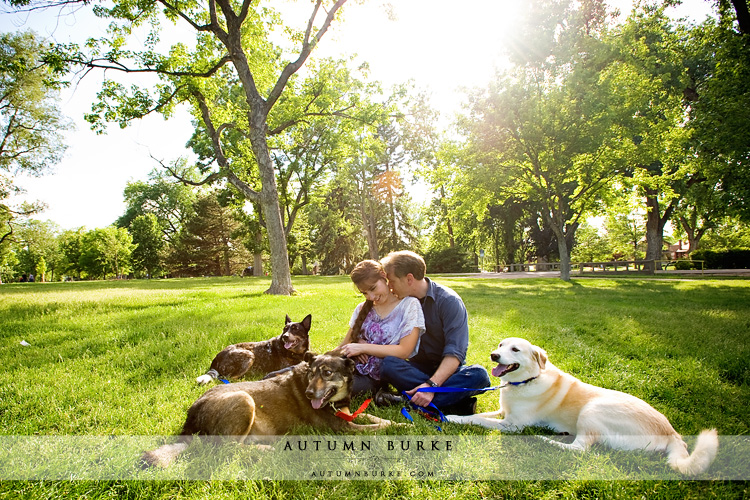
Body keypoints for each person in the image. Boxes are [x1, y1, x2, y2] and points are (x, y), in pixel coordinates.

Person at [378, 250, 490, 415]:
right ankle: (455, 402)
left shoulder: (449, 301)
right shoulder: (399, 302)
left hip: (448, 371)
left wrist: (431, 385)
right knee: (388, 364)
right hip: (417, 369)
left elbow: (455, 354)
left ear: (409, 279)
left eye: (392, 281)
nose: (389, 286)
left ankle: (408, 401)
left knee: (479, 375)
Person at [337, 260, 426, 396]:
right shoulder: (362, 308)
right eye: (364, 293)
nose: (371, 297)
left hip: (375, 377)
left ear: (384, 277)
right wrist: (355, 343)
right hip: (350, 366)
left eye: (373, 288)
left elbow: (404, 351)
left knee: (335, 387)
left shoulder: (408, 305)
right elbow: (344, 345)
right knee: (313, 378)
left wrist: (363, 347)